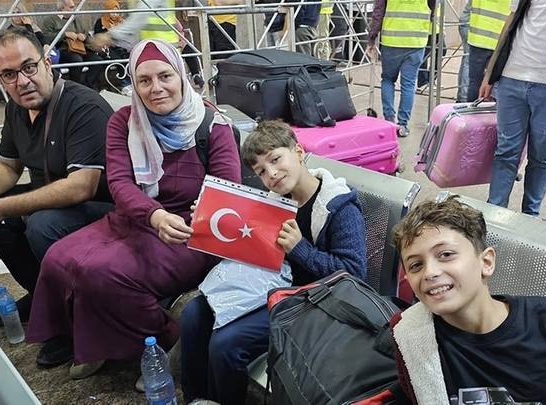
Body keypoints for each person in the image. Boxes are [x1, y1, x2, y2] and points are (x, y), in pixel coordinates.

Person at [25, 39, 242, 380]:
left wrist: (199, 211)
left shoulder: (213, 125)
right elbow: (121, 184)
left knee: (104, 272)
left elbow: (228, 190)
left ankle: (166, 342)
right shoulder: (125, 122)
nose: (156, 88)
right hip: (137, 218)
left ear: (182, 76)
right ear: (135, 85)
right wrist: (153, 215)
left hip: (189, 231)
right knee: (58, 258)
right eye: (144, 80)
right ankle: (94, 340)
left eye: (165, 76)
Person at [180, 120, 368, 405]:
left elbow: (355, 275)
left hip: (313, 303)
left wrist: (300, 248)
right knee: (194, 314)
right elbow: (247, 248)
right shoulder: (275, 203)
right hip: (272, 287)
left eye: (276, 159)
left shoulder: (338, 206)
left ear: (299, 151)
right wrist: (207, 220)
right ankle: (197, 399)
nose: (272, 174)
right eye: (261, 172)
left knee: (226, 345)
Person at [0, 27, 114, 326]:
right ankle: (44, 296)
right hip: (55, 198)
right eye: (9, 74)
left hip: (104, 208)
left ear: (47, 63)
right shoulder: (18, 108)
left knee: (41, 223)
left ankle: (75, 316)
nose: (22, 81)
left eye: (29, 67)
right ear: (0, 79)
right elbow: (7, 166)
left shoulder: (83, 107)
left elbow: (82, 187)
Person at [390, 197, 546, 404]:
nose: (430, 272)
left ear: (486, 262)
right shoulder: (414, 341)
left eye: (446, 254)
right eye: (416, 265)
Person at [479, 0, 546, 216]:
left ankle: (530, 216)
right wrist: (491, 72)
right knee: (506, 151)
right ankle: (495, 213)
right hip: (512, 75)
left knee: (542, 155)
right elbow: (510, 22)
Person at [367, 0, 435, 137]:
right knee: (408, 84)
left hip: (392, 40)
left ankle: (390, 120)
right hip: (416, 39)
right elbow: (432, 7)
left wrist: (372, 37)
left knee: (387, 80)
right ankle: (403, 125)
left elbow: (379, 11)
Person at [41, 0, 104, 90]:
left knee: (97, 60)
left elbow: (86, 35)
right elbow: (46, 37)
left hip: (79, 48)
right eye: (71, 7)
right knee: (77, 60)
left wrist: (84, 37)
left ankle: (87, 86)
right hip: (62, 50)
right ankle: (75, 87)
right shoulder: (51, 20)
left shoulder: (76, 19)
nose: (74, 9)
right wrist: (65, 34)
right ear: (62, 8)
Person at [465, 0, 511, 102]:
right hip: (500, 39)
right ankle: (490, 115)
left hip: (478, 37)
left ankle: (471, 113)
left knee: (475, 83)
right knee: (497, 85)